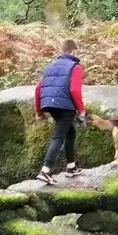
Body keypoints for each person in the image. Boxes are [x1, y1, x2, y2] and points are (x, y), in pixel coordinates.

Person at [33, 39, 86, 184]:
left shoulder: (50, 67)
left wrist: (39, 111)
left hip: (50, 105)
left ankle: (71, 167)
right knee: (58, 137)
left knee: (70, 133)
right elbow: (74, 90)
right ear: (74, 50)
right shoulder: (75, 67)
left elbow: (38, 89)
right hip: (65, 106)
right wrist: (81, 110)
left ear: (62, 50)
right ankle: (45, 170)